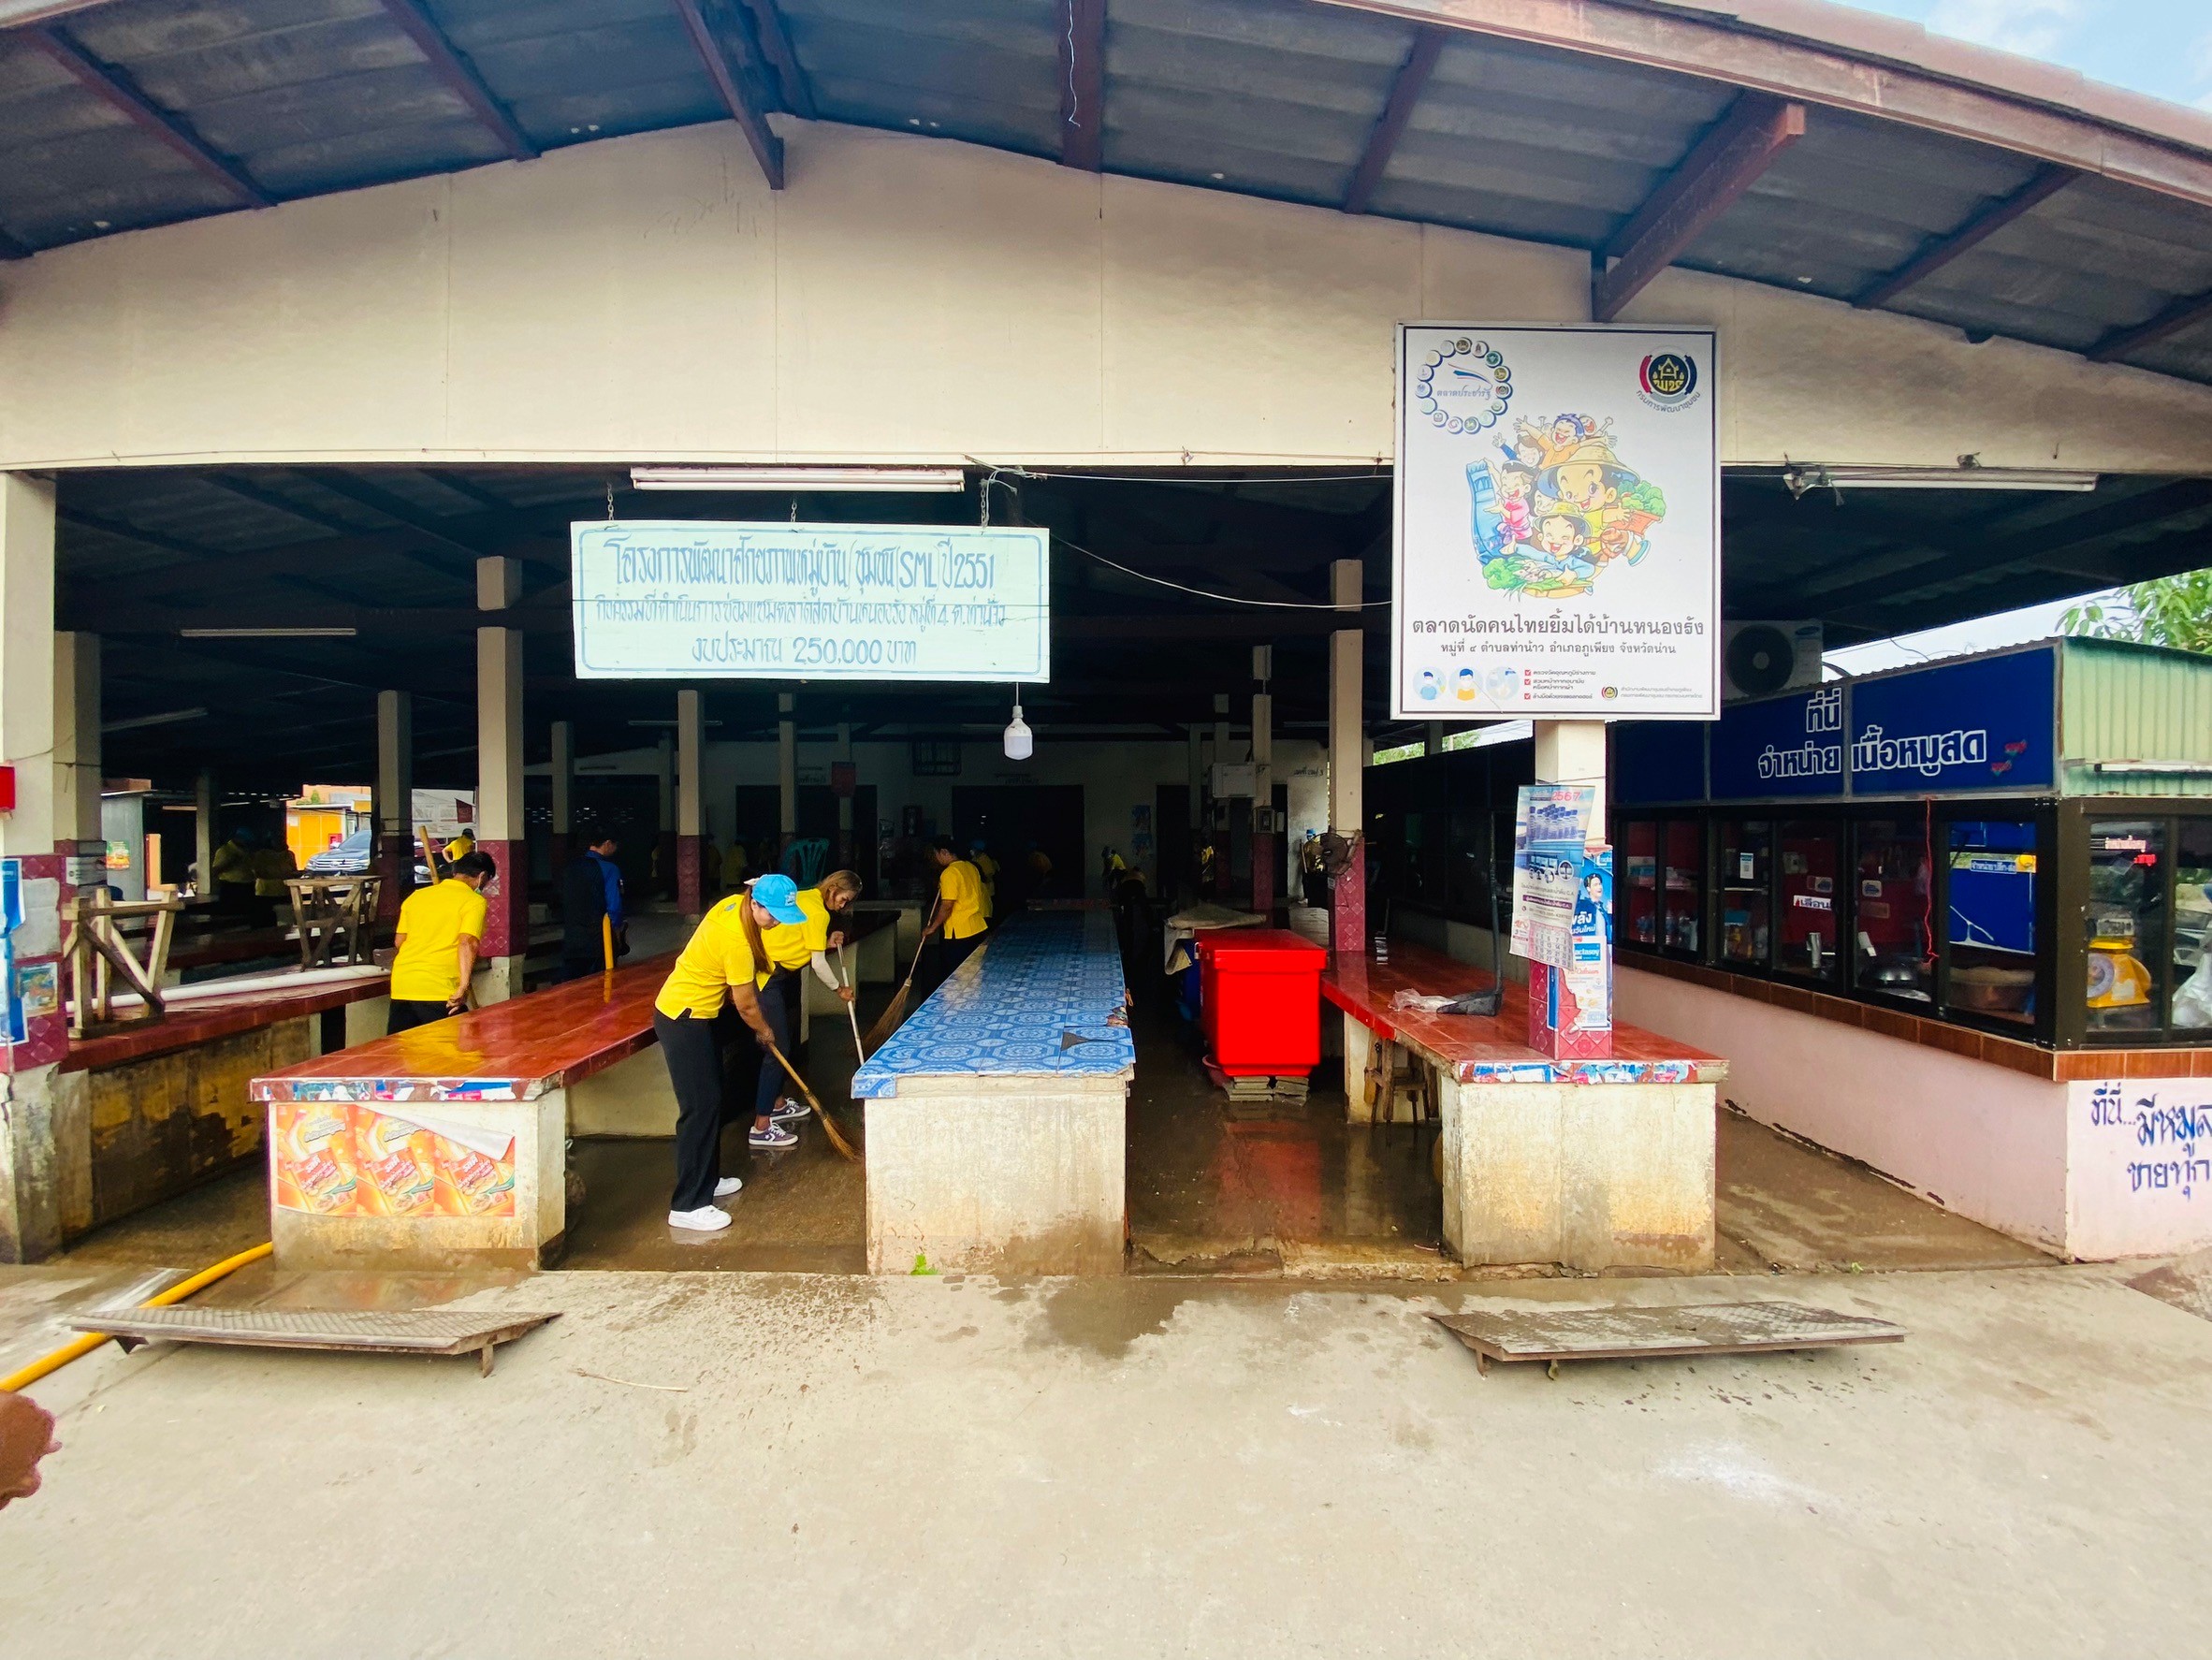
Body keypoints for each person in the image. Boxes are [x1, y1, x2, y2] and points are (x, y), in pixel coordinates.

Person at [653, 880, 806, 1232]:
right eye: (773, 915)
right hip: (683, 1017)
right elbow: (747, 1005)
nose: (776, 922)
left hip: (697, 1014)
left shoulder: (734, 904)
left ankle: (707, 1179)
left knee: (713, 1099)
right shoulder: (737, 941)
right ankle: (688, 1204)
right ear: (755, 904)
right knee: (700, 1107)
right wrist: (766, 1031)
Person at [750, 870, 863, 1127]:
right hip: (768, 976)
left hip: (778, 972)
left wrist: (825, 941)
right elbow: (818, 964)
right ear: (833, 888)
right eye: (844, 899)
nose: (843, 906)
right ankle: (762, 1123)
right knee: (777, 1048)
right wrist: (839, 989)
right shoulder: (819, 912)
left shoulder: (804, 897)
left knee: (784, 1040)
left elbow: (798, 937)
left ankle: (777, 1104)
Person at [386, 850, 495, 1034]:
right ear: (482, 877)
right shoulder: (474, 901)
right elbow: (467, 942)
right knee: (457, 1047)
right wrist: (463, 986)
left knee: (403, 1047)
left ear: (455, 871)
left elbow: (400, 942)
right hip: (439, 987)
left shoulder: (416, 896)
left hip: (402, 983)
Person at [922, 836, 990, 995]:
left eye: (936, 854)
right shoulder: (971, 867)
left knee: (956, 976)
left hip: (958, 932)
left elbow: (947, 906)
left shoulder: (950, 873)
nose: (936, 858)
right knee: (973, 972)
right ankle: (973, 999)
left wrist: (932, 927)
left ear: (944, 852)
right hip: (977, 927)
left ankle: (956, 1003)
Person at [556, 835, 625, 981]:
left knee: (573, 984)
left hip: (572, 939)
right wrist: (617, 937)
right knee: (602, 983)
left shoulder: (570, 868)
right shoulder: (609, 869)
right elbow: (614, 908)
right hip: (599, 940)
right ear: (608, 843)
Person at [249, 834, 298, 929]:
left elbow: (293, 870)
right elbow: (258, 872)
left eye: (283, 839)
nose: (281, 842)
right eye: (278, 839)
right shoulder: (261, 855)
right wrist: (281, 875)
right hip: (265, 893)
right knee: (265, 921)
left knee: (285, 921)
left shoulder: (289, 855)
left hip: (284, 892)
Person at [210, 825, 256, 922]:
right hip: (231, 887)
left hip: (247, 886)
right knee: (231, 917)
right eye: (245, 840)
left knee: (246, 918)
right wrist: (230, 862)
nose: (246, 842)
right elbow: (215, 871)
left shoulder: (246, 851)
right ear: (238, 838)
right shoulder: (225, 850)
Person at [969, 839, 998, 927]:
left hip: (987, 891)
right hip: (980, 892)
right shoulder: (975, 859)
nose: (972, 850)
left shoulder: (985, 859)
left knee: (986, 914)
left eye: (974, 848)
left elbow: (988, 876)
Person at [1299, 830, 1328, 907]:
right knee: (1305, 881)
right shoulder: (1307, 845)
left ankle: (1311, 899)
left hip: (1315, 868)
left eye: (1310, 835)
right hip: (1307, 866)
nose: (1309, 837)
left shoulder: (1317, 845)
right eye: (1308, 836)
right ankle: (1306, 897)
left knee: (1312, 884)